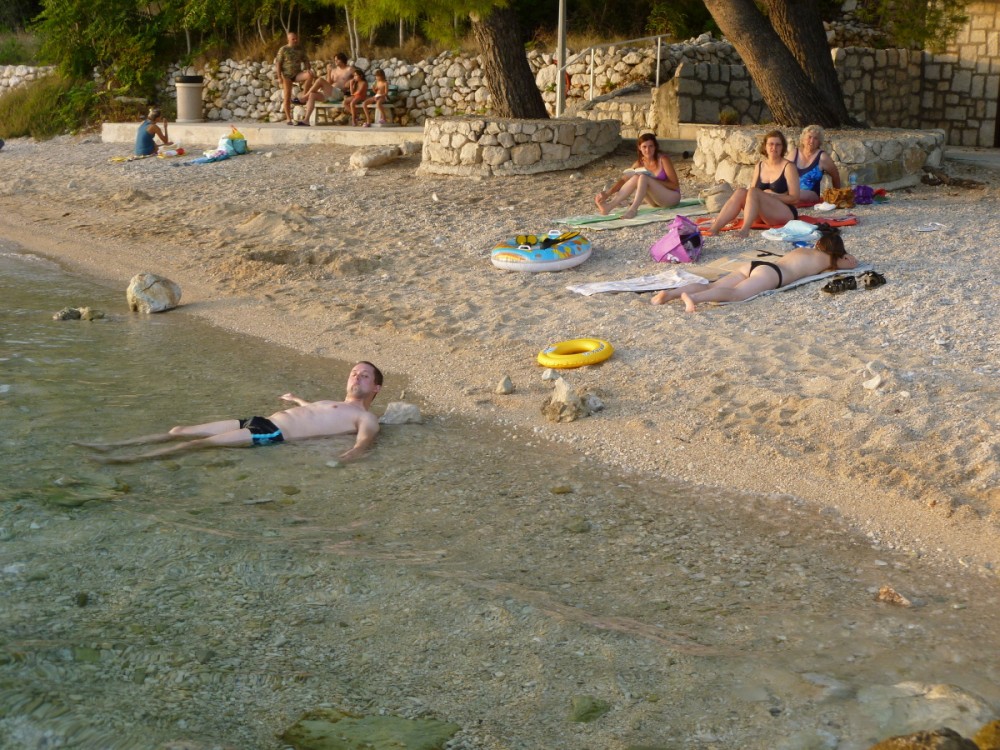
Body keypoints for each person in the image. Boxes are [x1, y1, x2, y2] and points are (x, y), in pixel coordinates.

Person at [76, 362, 383, 464]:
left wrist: (343, 460)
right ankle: (114, 445)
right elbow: (312, 410)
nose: (356, 377)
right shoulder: (333, 402)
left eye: (365, 375)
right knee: (179, 430)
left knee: (198, 444)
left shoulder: (366, 418)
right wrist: (296, 399)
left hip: (274, 434)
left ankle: (126, 461)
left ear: (376, 388)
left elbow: (364, 442)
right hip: (260, 420)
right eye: (354, 373)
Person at [651, 225, 858, 312]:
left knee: (712, 285)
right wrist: (842, 254)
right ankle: (693, 299)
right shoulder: (828, 259)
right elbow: (852, 262)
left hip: (756, 265)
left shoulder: (805, 250)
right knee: (736, 294)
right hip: (772, 275)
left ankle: (669, 294)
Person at [705, 129, 800, 238]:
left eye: (778, 145)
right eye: (771, 144)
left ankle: (744, 230)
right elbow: (751, 195)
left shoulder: (789, 167)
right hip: (763, 213)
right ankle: (714, 228)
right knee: (741, 192)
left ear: (783, 147)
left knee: (754, 191)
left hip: (784, 212)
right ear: (765, 146)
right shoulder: (760, 166)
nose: (774, 147)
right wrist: (763, 196)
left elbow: (795, 198)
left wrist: (771, 196)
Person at [595, 133, 681, 219]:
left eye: (651, 146)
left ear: (655, 147)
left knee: (643, 177)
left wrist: (653, 180)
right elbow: (624, 180)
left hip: (671, 198)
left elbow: (675, 185)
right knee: (636, 177)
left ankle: (633, 209)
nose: (647, 150)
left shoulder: (663, 160)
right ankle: (608, 207)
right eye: (644, 147)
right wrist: (607, 193)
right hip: (654, 202)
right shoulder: (639, 163)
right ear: (640, 148)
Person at [789, 124, 841, 204]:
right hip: (790, 192)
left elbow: (835, 175)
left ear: (819, 142)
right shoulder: (794, 153)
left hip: (811, 194)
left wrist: (837, 195)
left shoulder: (822, 157)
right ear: (803, 139)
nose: (812, 141)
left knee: (791, 195)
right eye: (809, 137)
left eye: (815, 138)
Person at [274, 31, 315, 126]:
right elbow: (278, 63)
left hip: (297, 74)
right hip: (286, 75)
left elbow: (306, 60)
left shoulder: (300, 49)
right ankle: (288, 118)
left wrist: (308, 69)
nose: (295, 40)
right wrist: (279, 76)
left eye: (296, 39)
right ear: (288, 39)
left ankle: (304, 95)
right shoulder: (283, 49)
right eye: (293, 39)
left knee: (310, 75)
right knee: (287, 96)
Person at [301, 53, 353, 124]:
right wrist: (329, 72)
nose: (335, 61)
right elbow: (328, 83)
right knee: (312, 95)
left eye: (337, 60)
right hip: (329, 93)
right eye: (335, 60)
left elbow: (359, 77)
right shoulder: (334, 70)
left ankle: (304, 97)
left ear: (342, 60)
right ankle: (306, 120)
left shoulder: (349, 69)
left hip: (339, 93)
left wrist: (351, 81)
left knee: (320, 80)